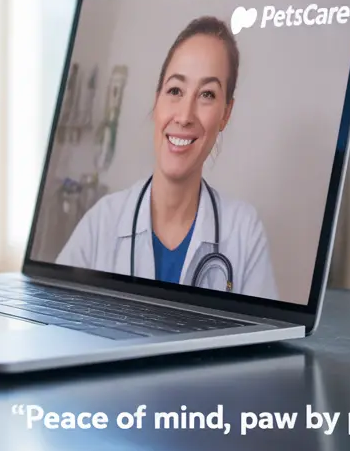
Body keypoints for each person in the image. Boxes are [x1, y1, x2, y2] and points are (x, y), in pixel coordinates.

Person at [57, 15, 279, 300]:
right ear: (157, 99)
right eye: (175, 90)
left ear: (226, 113)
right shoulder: (102, 221)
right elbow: (58, 325)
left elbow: (267, 343)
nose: (185, 116)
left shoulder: (244, 231)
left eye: (207, 95)